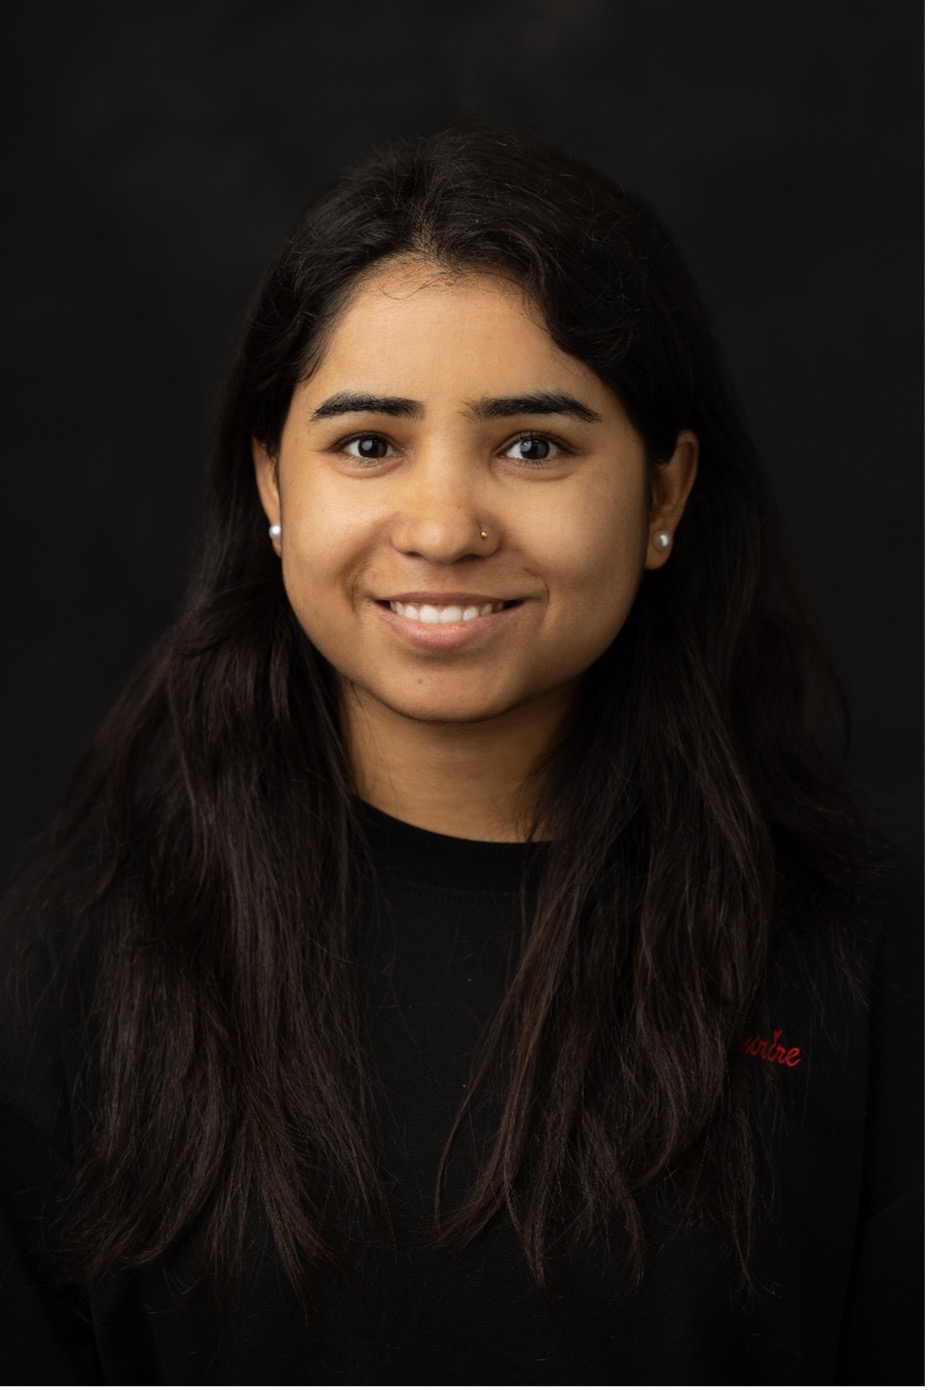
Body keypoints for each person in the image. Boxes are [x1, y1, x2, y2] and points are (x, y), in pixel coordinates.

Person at [0, 122, 921, 1386]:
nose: (441, 526)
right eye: (367, 443)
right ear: (275, 484)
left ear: (663, 492)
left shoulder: (867, 960)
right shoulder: (71, 966)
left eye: (532, 445)